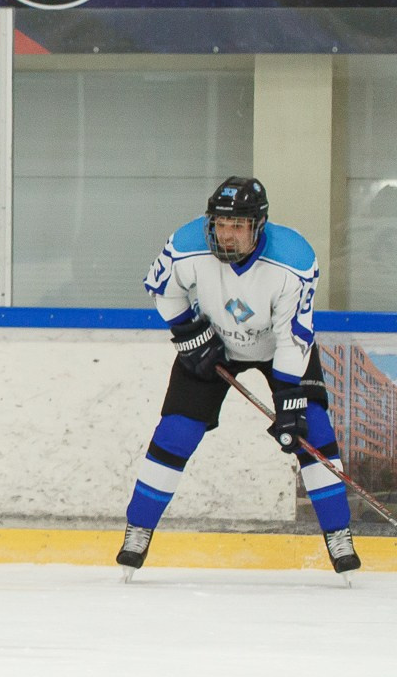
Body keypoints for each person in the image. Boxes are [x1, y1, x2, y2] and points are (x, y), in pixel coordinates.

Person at [118, 176, 359, 574]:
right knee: (175, 433)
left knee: (312, 432)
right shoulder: (188, 242)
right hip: (213, 343)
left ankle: (338, 534)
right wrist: (189, 334)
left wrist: (289, 401)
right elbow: (165, 291)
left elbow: (291, 340)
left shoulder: (293, 261)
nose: (226, 235)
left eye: (237, 226)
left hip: (279, 350)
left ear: (258, 226)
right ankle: (138, 528)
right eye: (220, 224)